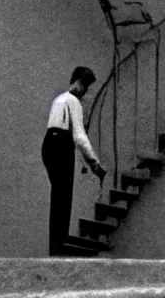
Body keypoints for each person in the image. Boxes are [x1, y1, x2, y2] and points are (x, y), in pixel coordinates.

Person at [42, 66, 106, 256]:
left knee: (57, 194)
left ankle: (55, 242)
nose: (86, 91)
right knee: (64, 195)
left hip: (48, 143)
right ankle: (60, 242)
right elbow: (79, 135)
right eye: (85, 86)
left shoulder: (58, 99)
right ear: (79, 82)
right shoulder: (73, 102)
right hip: (62, 144)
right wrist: (94, 164)